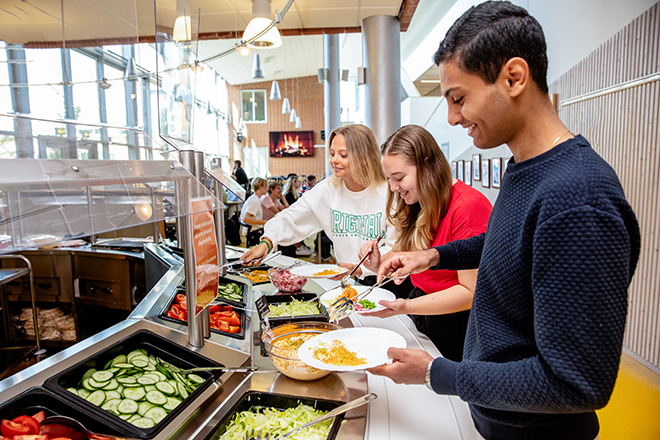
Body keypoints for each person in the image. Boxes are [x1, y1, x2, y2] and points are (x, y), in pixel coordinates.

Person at [368, 3, 641, 440]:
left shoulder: (579, 199)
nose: (454, 118)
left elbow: (576, 383)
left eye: (459, 98)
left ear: (514, 77)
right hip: (494, 417)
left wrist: (437, 374)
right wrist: (432, 255)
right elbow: (504, 243)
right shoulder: (526, 169)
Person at [360, 124, 492, 362]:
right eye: (389, 179)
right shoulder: (418, 202)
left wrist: (408, 306)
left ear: (427, 165)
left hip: (456, 326)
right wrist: (377, 262)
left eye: (399, 178)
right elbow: (407, 257)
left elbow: (470, 293)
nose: (393, 187)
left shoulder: (468, 206)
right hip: (423, 314)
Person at [241, 124, 395, 279]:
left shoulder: (389, 192)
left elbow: (396, 246)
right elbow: (291, 217)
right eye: (332, 154)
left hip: (384, 280)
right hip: (348, 282)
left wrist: (361, 268)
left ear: (364, 158)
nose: (334, 160)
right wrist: (267, 242)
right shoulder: (327, 189)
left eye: (343, 155)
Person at [280, 175, 314, 258]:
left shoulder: (293, 194)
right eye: (298, 182)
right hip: (289, 218)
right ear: (293, 183)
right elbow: (290, 208)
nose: (299, 183)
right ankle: (299, 247)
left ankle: (301, 246)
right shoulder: (288, 195)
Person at [239, 177, 268, 246]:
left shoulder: (254, 198)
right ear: (260, 187)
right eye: (266, 187)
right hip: (254, 232)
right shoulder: (254, 200)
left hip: (253, 230)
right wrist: (264, 222)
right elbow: (246, 218)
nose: (267, 189)